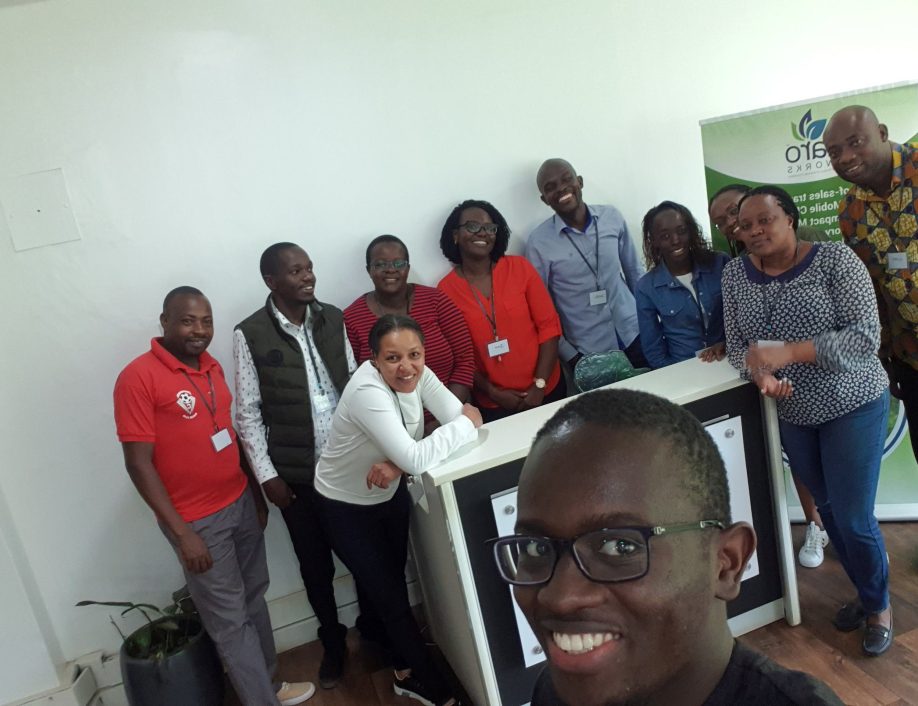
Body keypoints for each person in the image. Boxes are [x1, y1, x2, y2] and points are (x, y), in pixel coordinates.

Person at [493, 388, 843, 706]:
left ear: (727, 563)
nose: (560, 598)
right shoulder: (554, 691)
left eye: (619, 547)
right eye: (537, 548)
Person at [114, 286, 314, 706]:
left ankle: (270, 685)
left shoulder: (211, 367)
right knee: (229, 620)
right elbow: (138, 463)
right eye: (187, 320)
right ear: (164, 320)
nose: (199, 330)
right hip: (197, 523)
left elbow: (230, 434)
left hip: (239, 503)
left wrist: (256, 497)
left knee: (254, 598)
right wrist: (183, 534)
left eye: (206, 320)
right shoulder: (138, 376)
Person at [722, 185, 892, 656]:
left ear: (790, 219)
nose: (754, 231)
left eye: (765, 220)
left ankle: (879, 606)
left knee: (855, 518)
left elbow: (863, 339)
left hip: (852, 403)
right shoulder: (735, 275)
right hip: (793, 414)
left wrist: (790, 353)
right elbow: (739, 346)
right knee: (829, 510)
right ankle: (865, 590)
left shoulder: (836, 262)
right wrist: (761, 374)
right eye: (744, 225)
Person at [314, 315, 482, 706]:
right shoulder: (366, 393)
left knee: (387, 584)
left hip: (387, 495)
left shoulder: (416, 374)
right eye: (392, 358)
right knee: (392, 600)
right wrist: (412, 456)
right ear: (373, 359)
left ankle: (397, 659)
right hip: (343, 507)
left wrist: (399, 464)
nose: (405, 367)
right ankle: (437, 691)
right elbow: (456, 426)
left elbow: (445, 425)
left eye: (414, 355)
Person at [234, 243, 360, 689]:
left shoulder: (334, 317)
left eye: (308, 268)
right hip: (297, 478)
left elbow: (354, 380)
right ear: (271, 281)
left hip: (347, 465)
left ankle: (376, 629)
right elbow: (247, 413)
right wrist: (267, 477)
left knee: (365, 556)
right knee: (315, 567)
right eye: (295, 271)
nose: (307, 277)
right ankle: (332, 642)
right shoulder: (249, 334)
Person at [709, 185, 831, 569]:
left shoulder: (818, 247)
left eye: (735, 214)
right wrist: (750, 362)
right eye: (726, 223)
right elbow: (740, 330)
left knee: (843, 474)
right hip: (780, 388)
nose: (732, 226)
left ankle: (851, 532)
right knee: (801, 462)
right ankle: (817, 524)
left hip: (833, 382)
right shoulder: (736, 265)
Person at [825, 104, 918, 463]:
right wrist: (885, 357)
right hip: (911, 358)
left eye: (855, 142)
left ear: (882, 132)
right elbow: (873, 291)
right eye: (834, 152)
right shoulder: (850, 211)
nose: (846, 157)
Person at [438, 199, 564, 422]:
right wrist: (493, 393)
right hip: (494, 403)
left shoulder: (519, 268)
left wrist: (539, 385)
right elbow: (460, 357)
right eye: (473, 226)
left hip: (546, 389)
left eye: (489, 227)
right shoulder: (445, 290)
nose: (483, 233)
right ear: (455, 235)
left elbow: (549, 327)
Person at [526, 158, 647, 377]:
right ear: (545, 199)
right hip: (589, 351)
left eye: (566, 179)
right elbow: (541, 309)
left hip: (636, 334)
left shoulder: (612, 217)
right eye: (550, 187)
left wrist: (650, 324)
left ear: (579, 182)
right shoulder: (539, 243)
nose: (561, 188)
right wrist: (570, 356)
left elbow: (634, 271)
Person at [344, 234, 475, 426]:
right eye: (380, 264)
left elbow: (465, 360)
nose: (390, 270)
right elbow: (359, 381)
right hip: (392, 428)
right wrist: (402, 432)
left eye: (398, 264)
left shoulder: (436, 301)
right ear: (368, 270)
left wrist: (443, 419)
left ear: (408, 268)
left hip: (452, 416)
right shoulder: (352, 317)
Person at [635, 200, 730, 368]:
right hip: (686, 367)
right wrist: (675, 374)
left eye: (682, 231)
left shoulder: (720, 263)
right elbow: (653, 347)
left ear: (691, 231)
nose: (675, 240)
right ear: (654, 241)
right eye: (665, 236)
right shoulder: (646, 287)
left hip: (730, 360)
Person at [709, 184, 830, 258]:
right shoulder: (739, 267)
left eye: (734, 211)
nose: (729, 222)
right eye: (720, 222)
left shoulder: (806, 235)